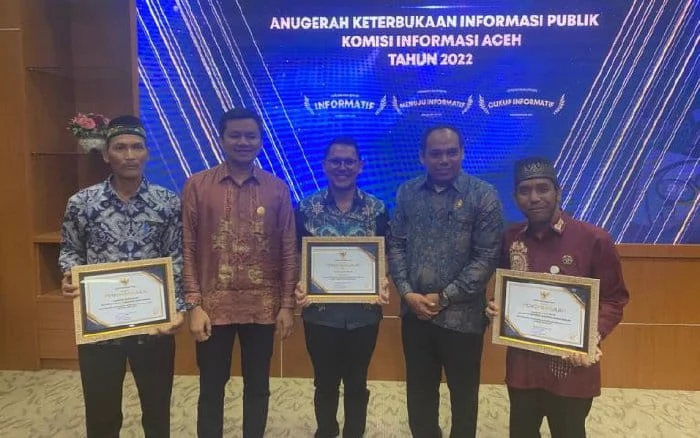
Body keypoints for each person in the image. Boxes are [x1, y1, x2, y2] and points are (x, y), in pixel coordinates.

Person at [59, 115, 185, 438]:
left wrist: (178, 308)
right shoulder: (82, 203)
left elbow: (176, 257)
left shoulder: (167, 202)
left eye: (137, 147)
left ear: (147, 153)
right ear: (106, 154)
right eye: (120, 147)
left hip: (154, 326)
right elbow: (70, 250)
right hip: (100, 327)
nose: (129, 155)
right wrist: (69, 275)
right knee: (102, 414)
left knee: (157, 412)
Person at [486, 157, 630, 438]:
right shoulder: (511, 238)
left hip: (570, 369)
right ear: (515, 198)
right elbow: (506, 287)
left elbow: (614, 299)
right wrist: (497, 307)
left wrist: (593, 335)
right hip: (523, 367)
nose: (534, 198)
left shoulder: (594, 239)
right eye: (525, 191)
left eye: (543, 188)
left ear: (558, 192)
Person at [182, 108, 297, 438]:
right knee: (211, 386)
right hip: (211, 308)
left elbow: (288, 249)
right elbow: (187, 247)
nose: (243, 142)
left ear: (261, 141)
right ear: (221, 139)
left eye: (251, 136)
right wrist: (194, 304)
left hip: (263, 308)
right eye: (235, 135)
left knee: (258, 385)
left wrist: (287, 305)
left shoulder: (277, 189)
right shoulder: (197, 185)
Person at [388, 125, 504, 438]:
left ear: (462, 153)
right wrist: (407, 293)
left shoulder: (483, 195)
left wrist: (444, 297)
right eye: (436, 153)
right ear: (422, 157)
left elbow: (486, 257)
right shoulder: (407, 193)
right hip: (415, 314)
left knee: (464, 397)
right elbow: (396, 244)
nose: (444, 160)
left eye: (451, 152)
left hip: (462, 319)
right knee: (419, 393)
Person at [294, 137, 391, 438]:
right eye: (335, 161)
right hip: (320, 315)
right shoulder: (306, 208)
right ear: (324, 165)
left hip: (364, 314)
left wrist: (383, 280)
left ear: (360, 166)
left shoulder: (377, 209)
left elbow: (385, 256)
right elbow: (297, 256)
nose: (342, 167)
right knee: (324, 382)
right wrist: (299, 283)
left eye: (349, 161)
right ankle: (326, 431)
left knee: (357, 382)